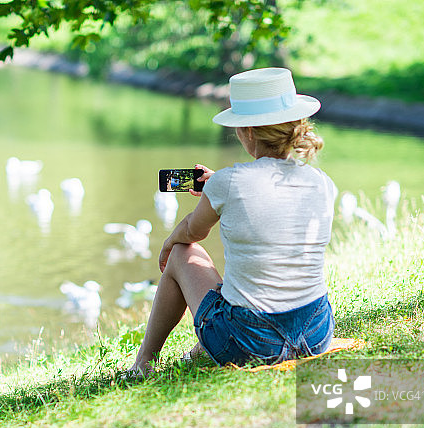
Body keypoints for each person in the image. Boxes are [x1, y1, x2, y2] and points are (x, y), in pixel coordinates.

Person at [128, 67, 337, 377]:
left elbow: (192, 232)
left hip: (252, 345)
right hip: (315, 334)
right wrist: (220, 188)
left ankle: (143, 363)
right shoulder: (322, 182)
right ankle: (197, 351)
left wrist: (171, 240)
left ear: (247, 131)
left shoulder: (229, 184)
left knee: (184, 254)